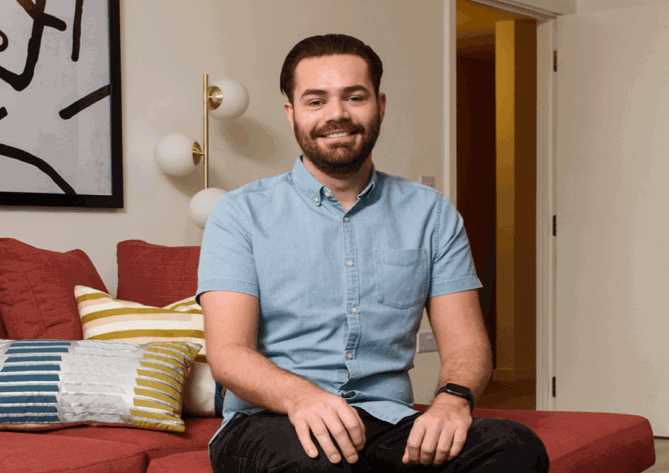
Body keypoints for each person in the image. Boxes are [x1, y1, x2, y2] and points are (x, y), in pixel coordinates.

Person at [196, 33, 549, 472]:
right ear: (292, 114)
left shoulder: (431, 213)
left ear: (380, 105)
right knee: (321, 461)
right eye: (316, 101)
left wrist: (452, 401)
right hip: (270, 420)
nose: (337, 114)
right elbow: (228, 353)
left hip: (387, 421)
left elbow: (467, 344)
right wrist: (303, 397)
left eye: (354, 97)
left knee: (513, 444)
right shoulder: (239, 213)